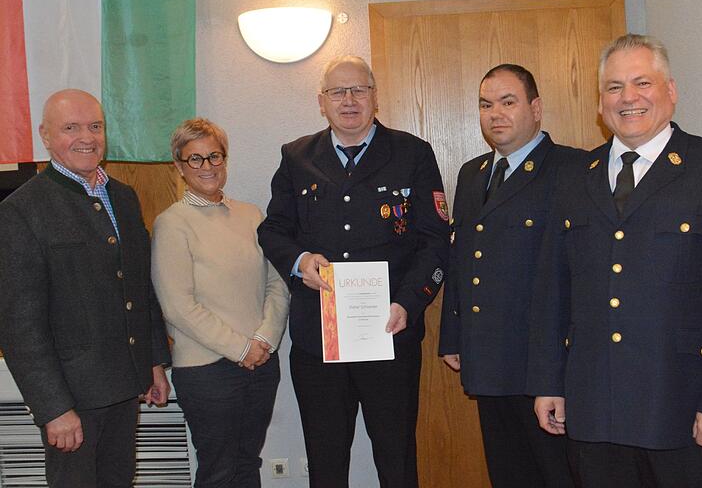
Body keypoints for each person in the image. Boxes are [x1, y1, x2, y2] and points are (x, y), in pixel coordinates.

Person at [528, 34, 702, 487]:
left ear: (671, 91)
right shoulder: (575, 178)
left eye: (643, 82)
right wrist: (548, 381)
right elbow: (552, 290)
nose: (629, 98)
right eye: (614, 87)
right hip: (595, 411)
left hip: (684, 411)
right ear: (600, 103)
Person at [258, 55, 450, 487]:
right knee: (325, 461)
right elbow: (273, 230)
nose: (349, 100)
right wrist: (299, 260)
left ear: (375, 96)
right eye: (337, 92)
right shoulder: (296, 156)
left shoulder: (412, 153)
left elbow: (434, 240)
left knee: (397, 457)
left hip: (390, 333)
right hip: (318, 341)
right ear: (321, 102)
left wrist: (409, 303)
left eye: (359, 89)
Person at [0, 89, 171, 487]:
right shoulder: (21, 212)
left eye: (95, 126)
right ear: (45, 135)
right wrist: (52, 408)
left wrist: (153, 361)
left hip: (126, 387)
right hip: (71, 401)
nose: (86, 137)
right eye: (71, 128)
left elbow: (138, 287)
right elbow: (20, 325)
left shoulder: (123, 198)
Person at [439, 64, 577, 487]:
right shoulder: (472, 173)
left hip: (545, 361)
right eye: (486, 104)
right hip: (487, 356)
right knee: (507, 472)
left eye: (508, 102)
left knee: (557, 473)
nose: (495, 113)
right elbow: (461, 257)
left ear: (535, 108)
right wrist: (453, 334)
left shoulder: (573, 168)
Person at [151, 118, 289, 487]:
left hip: (260, 364)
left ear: (225, 160)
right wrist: (241, 347)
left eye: (214, 156)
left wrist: (264, 341)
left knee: (247, 464)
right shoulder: (172, 224)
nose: (207, 167)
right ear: (179, 167)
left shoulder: (251, 215)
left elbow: (277, 285)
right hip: (207, 371)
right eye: (194, 159)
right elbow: (178, 306)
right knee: (218, 471)